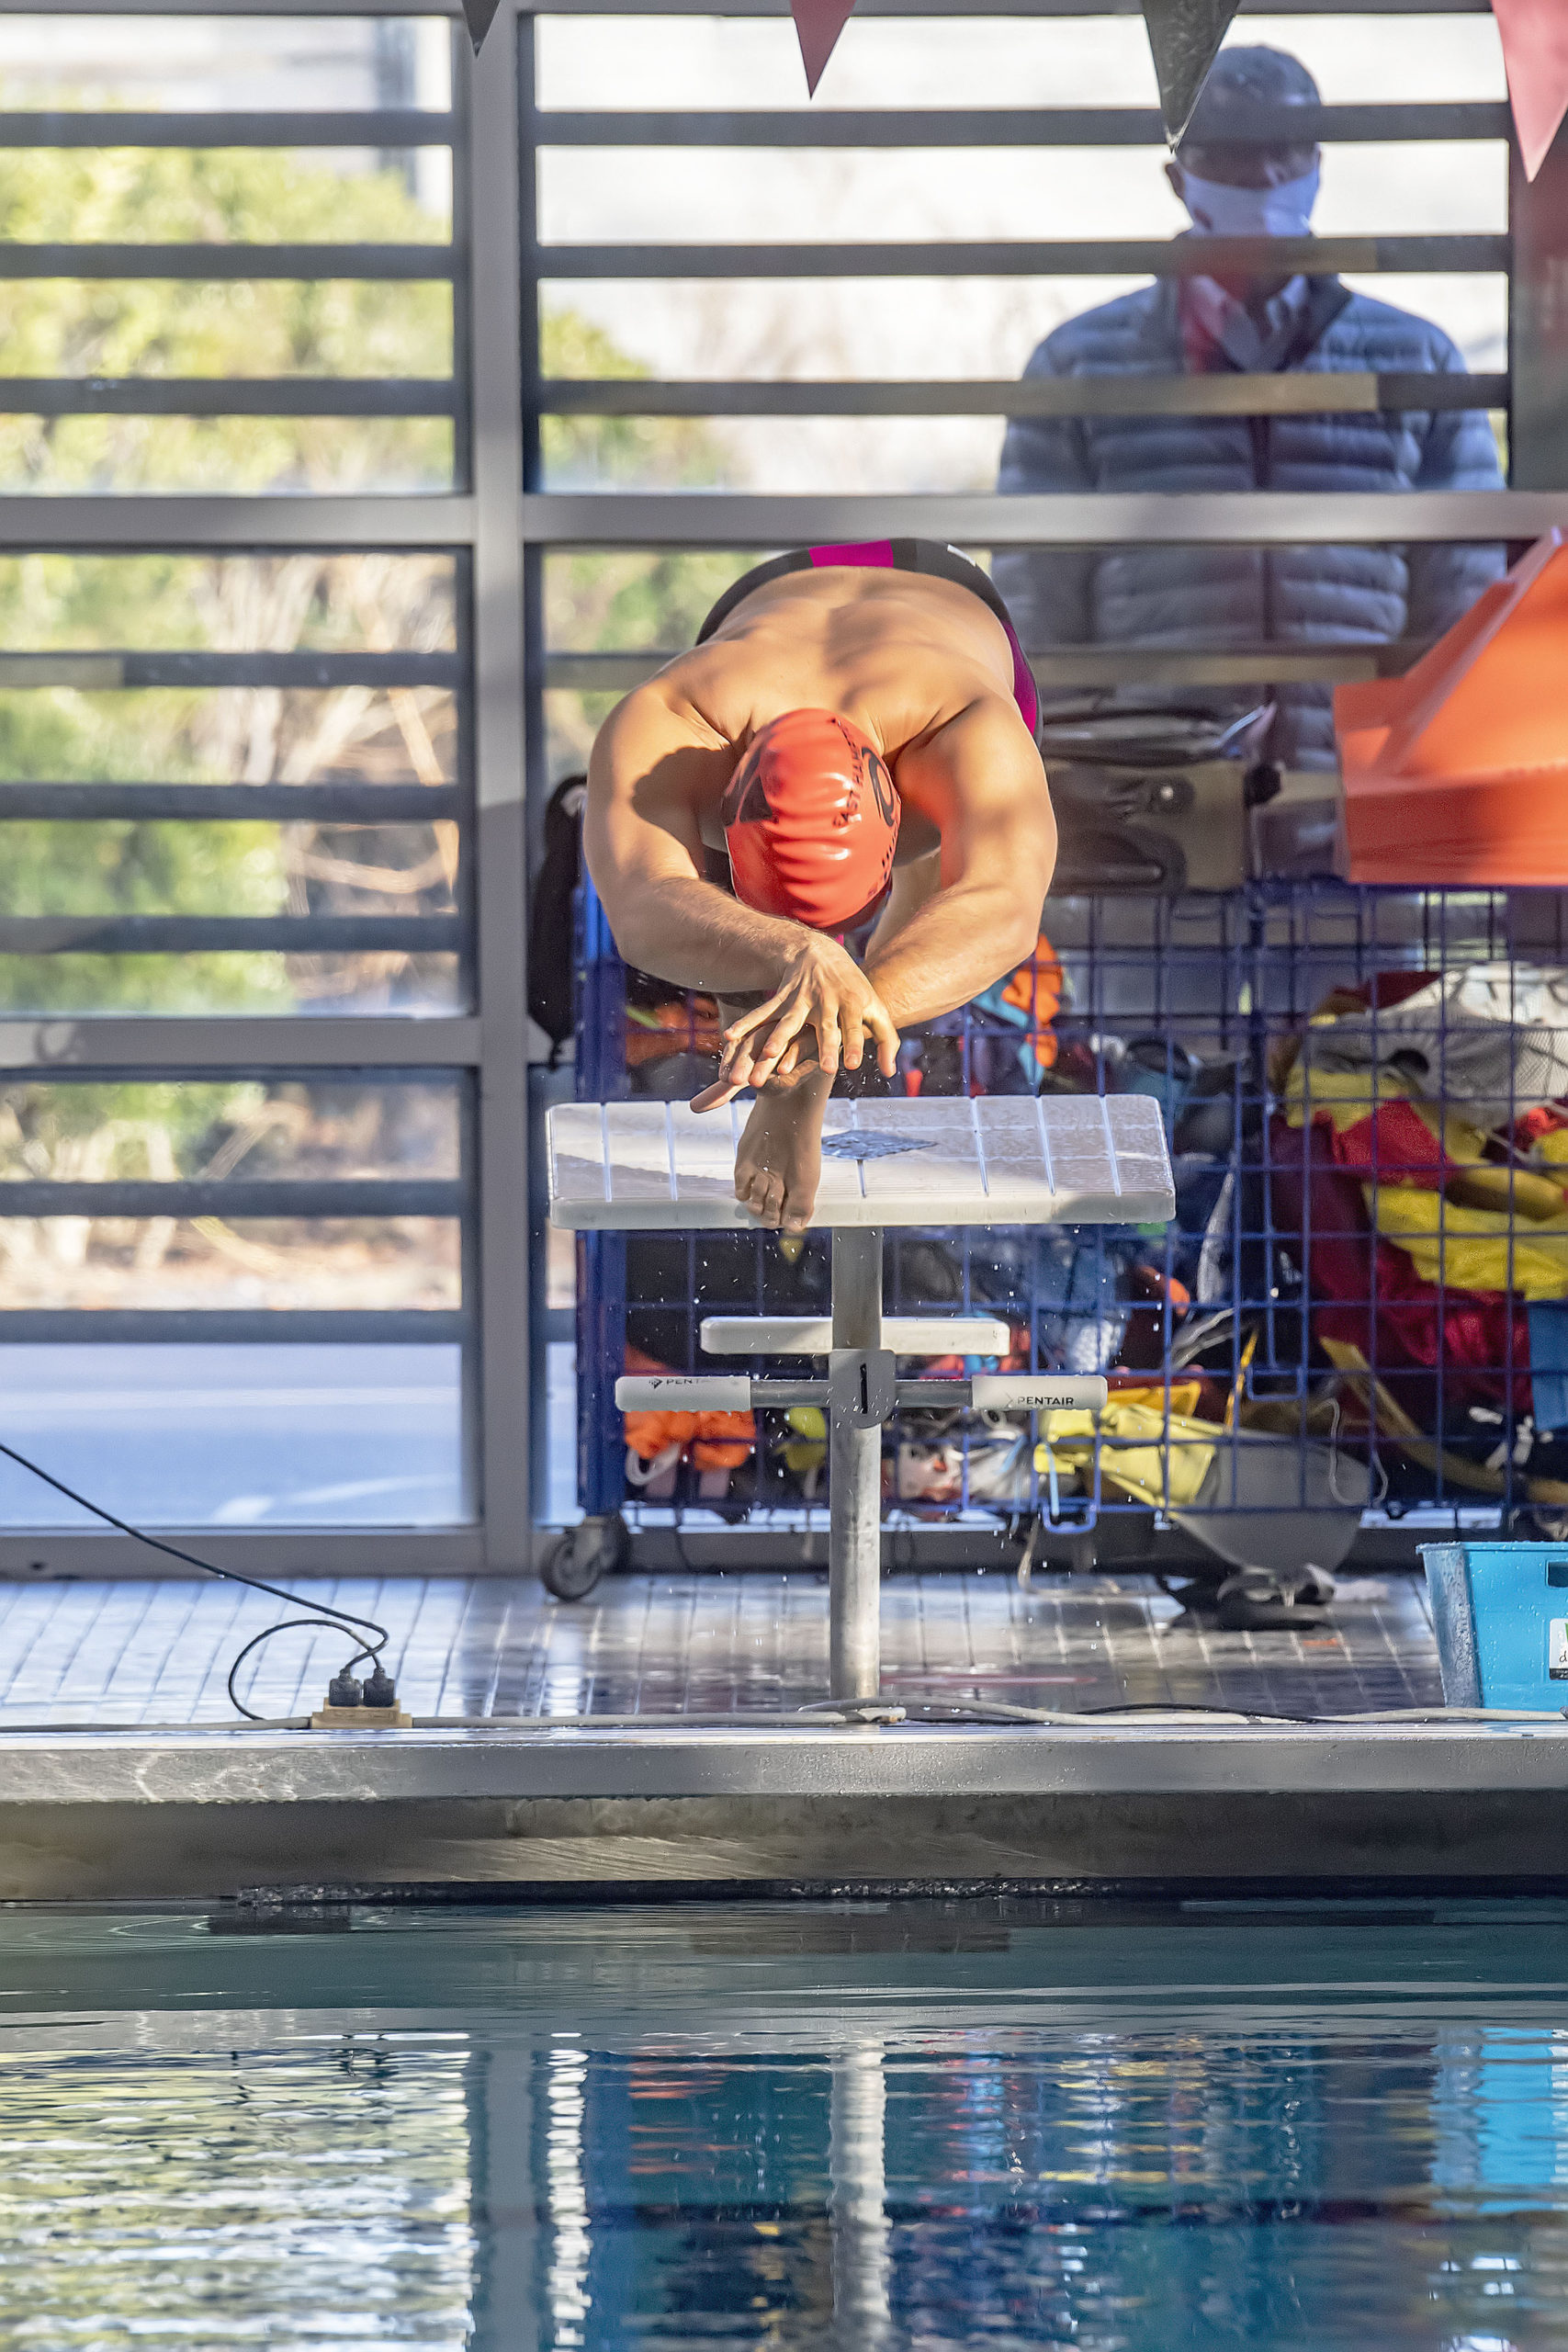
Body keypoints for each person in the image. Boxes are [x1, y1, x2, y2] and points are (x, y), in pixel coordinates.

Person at [992, 43, 1506, 771]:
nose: (1262, 179)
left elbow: (1462, 598)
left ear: (1318, 166)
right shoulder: (1079, 366)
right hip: (1154, 802)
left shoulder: (1415, 363)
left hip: (1356, 804)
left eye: (1286, 154)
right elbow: (1035, 609)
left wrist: (1419, 771)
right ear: (1178, 177)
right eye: (1232, 158)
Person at [584, 540, 1057, 1234]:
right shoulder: (674, 720)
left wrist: (814, 1047)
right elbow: (645, 905)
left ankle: (802, 1080)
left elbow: (1003, 913)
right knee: (716, 918)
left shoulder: (965, 726)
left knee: (936, 883)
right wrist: (792, 951)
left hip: (949, 616)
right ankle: (793, 1019)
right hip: (771, 596)